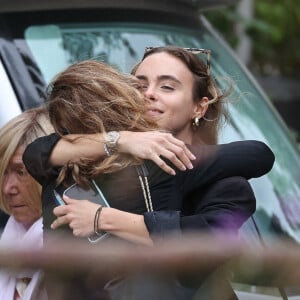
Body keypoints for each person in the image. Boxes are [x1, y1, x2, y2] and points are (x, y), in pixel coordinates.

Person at [23, 57, 274, 299]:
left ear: (199, 107)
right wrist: (122, 139)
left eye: (167, 86)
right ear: (123, 99)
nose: (149, 94)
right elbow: (35, 152)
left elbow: (206, 238)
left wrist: (103, 218)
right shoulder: (66, 166)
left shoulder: (58, 170)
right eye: (141, 85)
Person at [0, 106, 53, 300]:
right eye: (3, 172)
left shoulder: (78, 252)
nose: (7, 188)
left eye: (20, 172)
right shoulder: (8, 242)